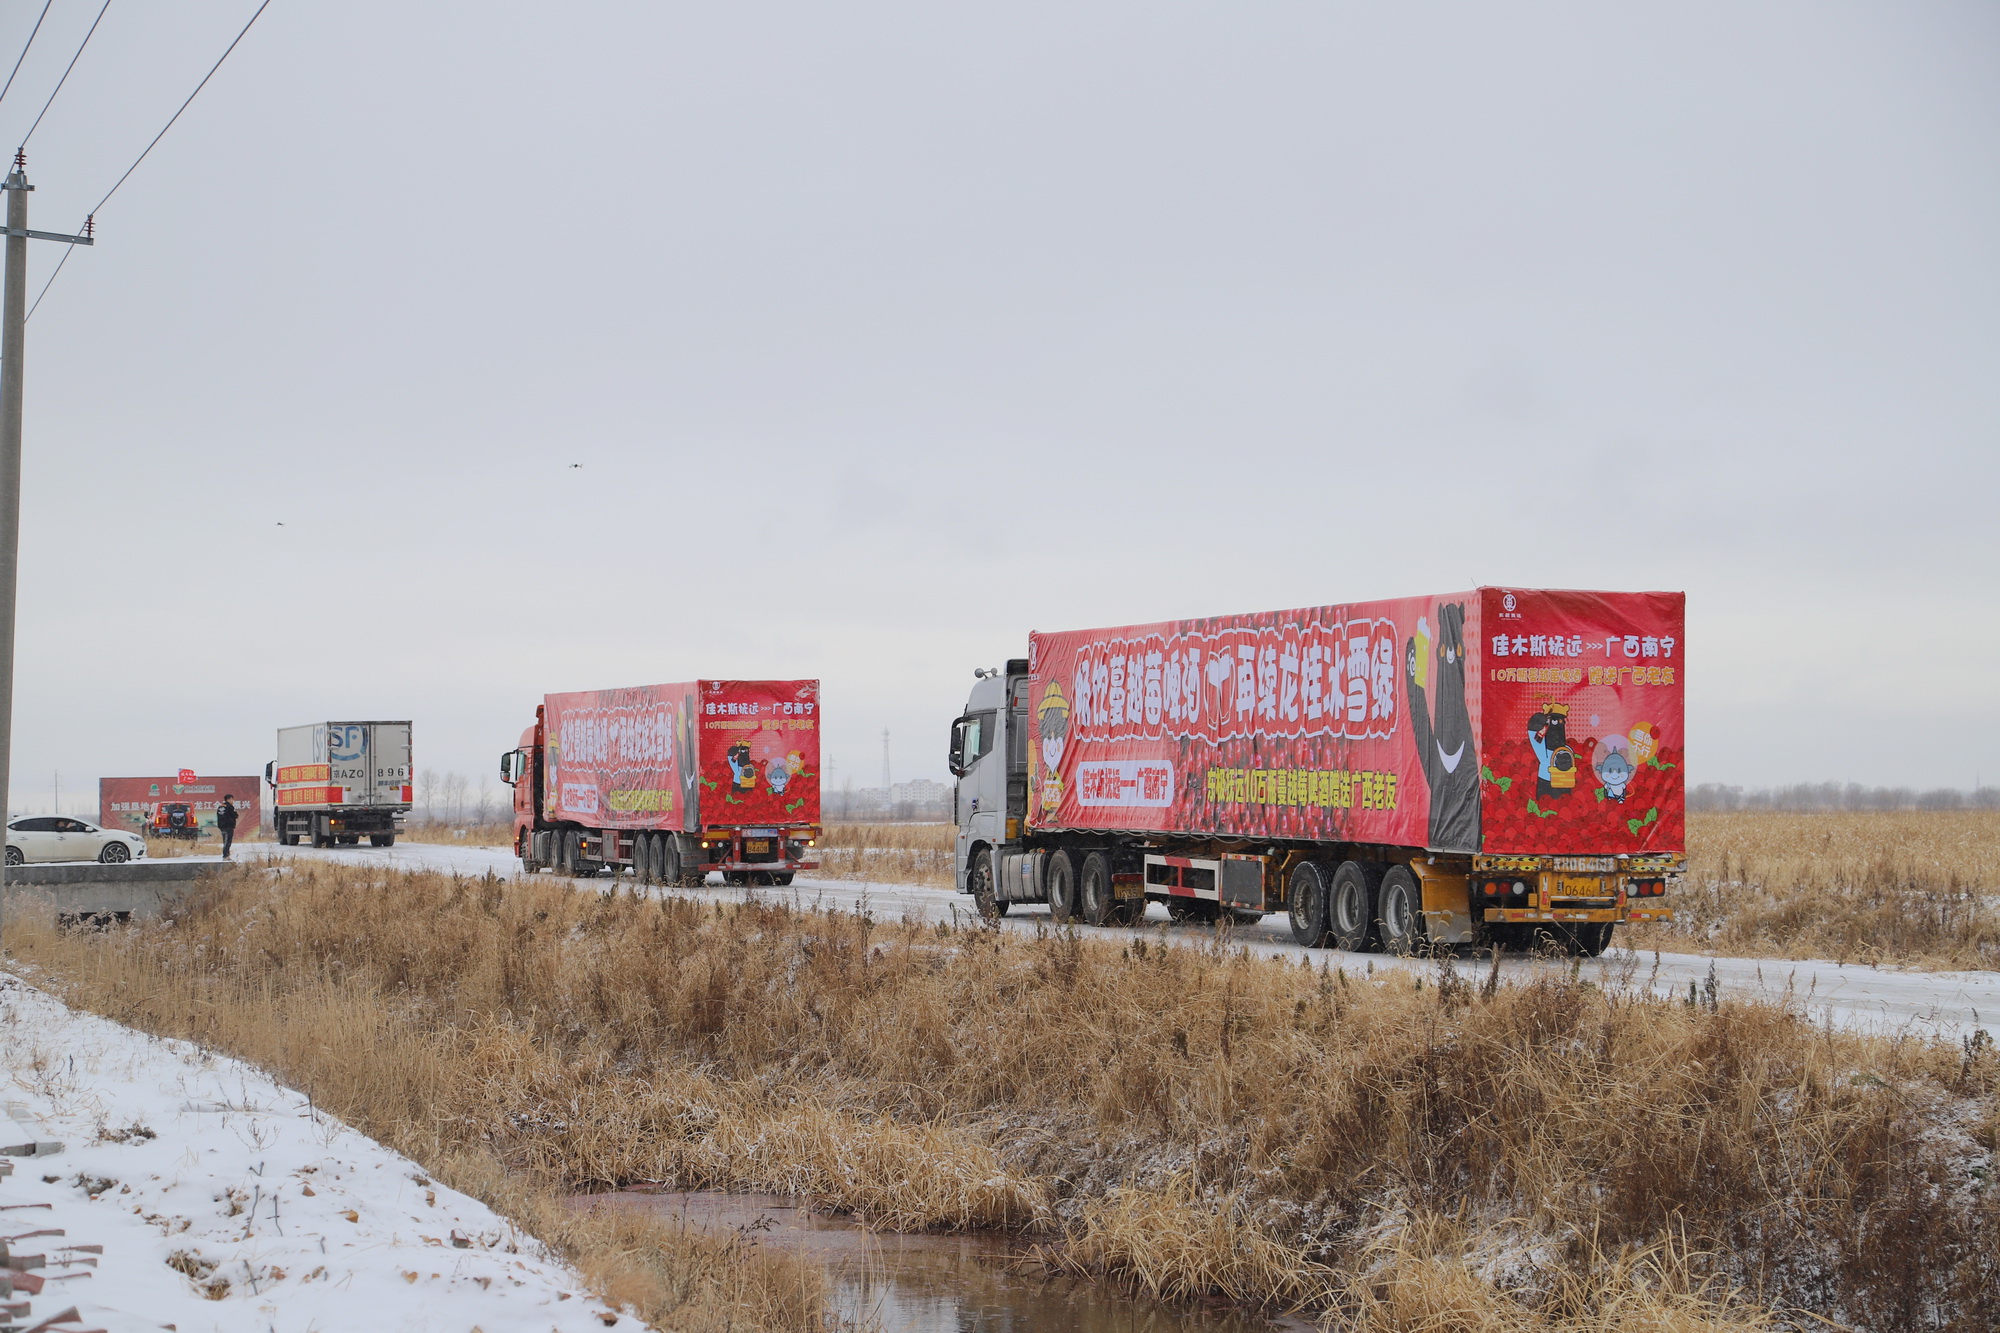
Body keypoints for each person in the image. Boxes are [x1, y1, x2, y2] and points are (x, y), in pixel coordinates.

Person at [216, 794, 239, 860]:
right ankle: (225, 855)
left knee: (225, 840)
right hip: (228, 826)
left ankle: (226, 854)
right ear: (228, 799)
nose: (233, 801)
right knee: (228, 841)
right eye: (232, 799)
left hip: (221, 826)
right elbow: (235, 815)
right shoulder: (230, 807)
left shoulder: (220, 807)